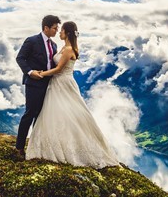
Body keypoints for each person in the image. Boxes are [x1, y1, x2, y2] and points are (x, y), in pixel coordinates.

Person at [25, 21, 119, 168]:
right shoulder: (63, 47)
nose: (59, 33)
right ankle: (58, 142)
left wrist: (40, 74)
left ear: (67, 33)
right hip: (58, 83)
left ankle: (70, 147)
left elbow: (58, 69)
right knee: (58, 114)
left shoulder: (68, 49)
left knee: (68, 113)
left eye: (61, 31)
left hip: (63, 82)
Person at [15, 15, 61, 157]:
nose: (56, 31)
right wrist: (30, 72)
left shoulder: (54, 45)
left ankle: (35, 147)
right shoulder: (32, 41)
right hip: (34, 83)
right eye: (54, 28)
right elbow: (20, 58)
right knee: (29, 114)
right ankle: (19, 148)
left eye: (58, 28)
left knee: (41, 117)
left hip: (48, 85)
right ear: (46, 28)